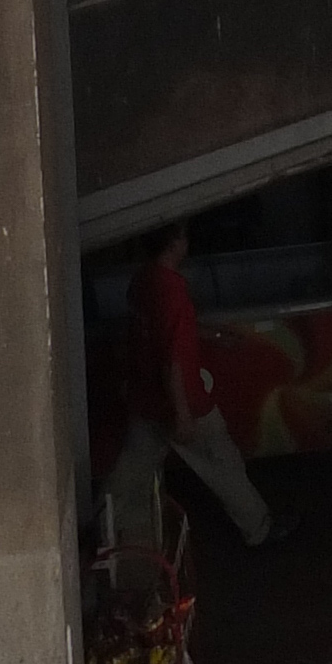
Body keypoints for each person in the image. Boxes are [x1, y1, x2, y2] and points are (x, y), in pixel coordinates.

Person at [111, 221, 277, 547]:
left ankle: (110, 540)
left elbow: (162, 335)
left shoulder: (142, 281)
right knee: (225, 465)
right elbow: (172, 358)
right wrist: (183, 413)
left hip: (145, 402)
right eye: (184, 235)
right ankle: (261, 531)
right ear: (174, 242)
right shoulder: (172, 290)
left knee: (129, 478)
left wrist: (211, 333)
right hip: (184, 404)